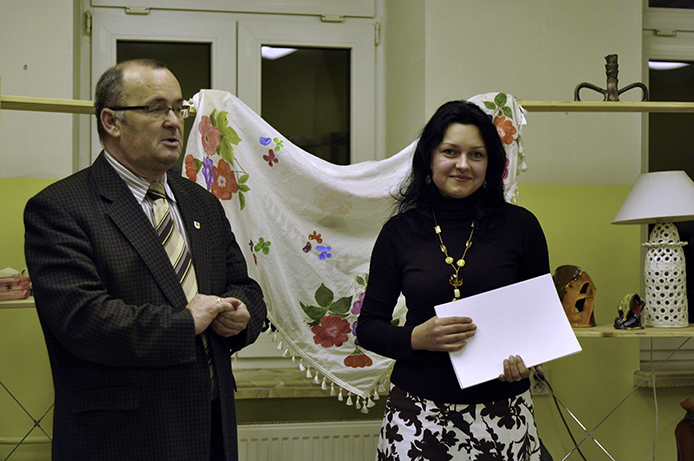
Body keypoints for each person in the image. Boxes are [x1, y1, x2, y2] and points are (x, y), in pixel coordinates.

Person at [24, 59, 267, 461]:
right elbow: (83, 321)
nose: (173, 121)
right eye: (156, 108)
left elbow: (243, 287)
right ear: (111, 121)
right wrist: (185, 322)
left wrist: (242, 313)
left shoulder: (201, 203)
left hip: (210, 429)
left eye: (178, 108)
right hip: (122, 439)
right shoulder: (61, 208)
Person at [356, 100, 551, 460]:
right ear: (429, 158)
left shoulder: (521, 226)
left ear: (490, 164)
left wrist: (530, 358)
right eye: (450, 152)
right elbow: (367, 327)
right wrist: (417, 337)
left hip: (503, 413)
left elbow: (540, 322)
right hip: (417, 414)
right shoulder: (399, 232)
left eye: (476, 154)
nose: (463, 164)